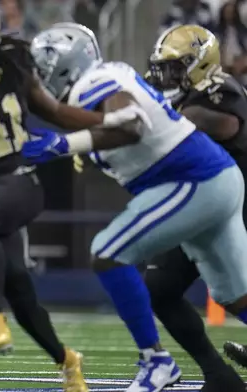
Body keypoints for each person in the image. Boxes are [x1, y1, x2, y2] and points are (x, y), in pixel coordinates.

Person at [0, 1, 141, 390]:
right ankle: (68, 362)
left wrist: (107, 121)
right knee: (20, 291)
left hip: (20, 181)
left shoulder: (15, 62)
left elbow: (57, 113)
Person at [24, 23, 247, 392]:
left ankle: (156, 360)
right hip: (212, 184)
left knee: (108, 252)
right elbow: (84, 122)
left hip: (200, 183)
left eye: (45, 71)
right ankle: (220, 378)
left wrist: (66, 145)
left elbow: (131, 126)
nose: (166, 77)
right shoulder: (102, 86)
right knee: (230, 294)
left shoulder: (99, 81)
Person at [143, 24, 246, 391]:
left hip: (234, 208)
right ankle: (218, 375)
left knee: (234, 295)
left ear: (201, 64)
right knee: (159, 287)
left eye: (177, 66)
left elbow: (218, 122)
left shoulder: (220, 90)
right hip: (204, 213)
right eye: (165, 67)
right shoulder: (178, 102)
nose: (168, 75)